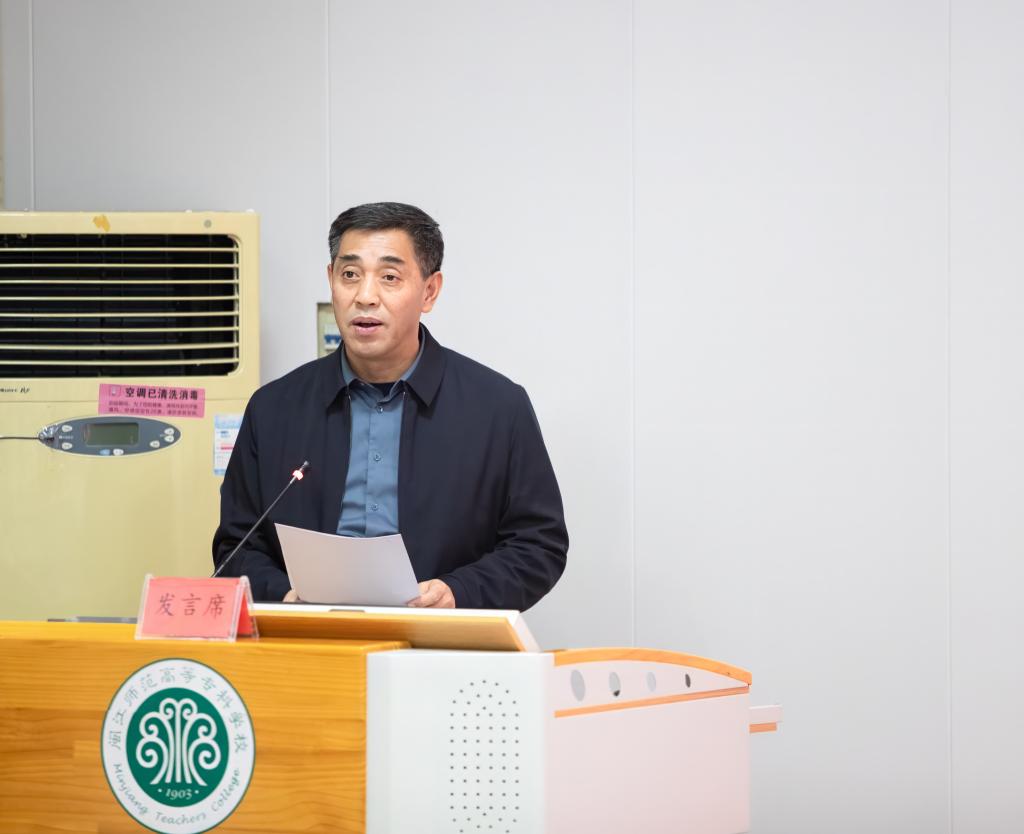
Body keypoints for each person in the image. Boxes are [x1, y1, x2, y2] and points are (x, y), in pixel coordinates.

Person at [212, 202, 568, 610]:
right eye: (350, 275)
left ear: (429, 291)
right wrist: (286, 595)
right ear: (331, 280)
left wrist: (458, 592)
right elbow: (236, 546)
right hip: (311, 635)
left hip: (441, 639)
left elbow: (539, 545)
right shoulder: (274, 408)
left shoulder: (498, 408)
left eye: (389, 277)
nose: (365, 297)